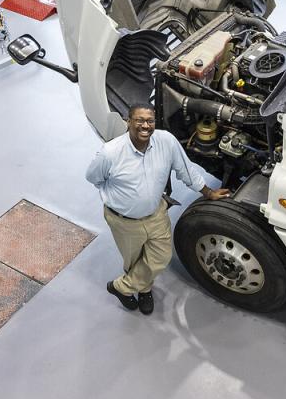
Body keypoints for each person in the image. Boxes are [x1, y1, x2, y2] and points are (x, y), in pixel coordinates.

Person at [86, 103, 230, 315]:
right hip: (124, 221)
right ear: (128, 122)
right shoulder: (110, 153)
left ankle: (121, 288)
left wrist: (208, 192)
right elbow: (94, 178)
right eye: (139, 120)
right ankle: (144, 291)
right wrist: (121, 198)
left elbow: (186, 170)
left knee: (160, 256)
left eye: (150, 121)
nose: (145, 126)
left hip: (156, 214)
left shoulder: (166, 141)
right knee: (134, 261)